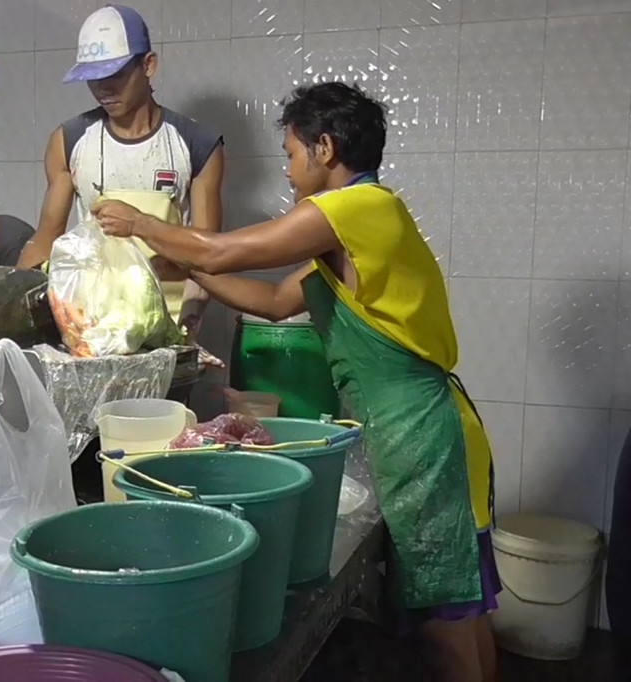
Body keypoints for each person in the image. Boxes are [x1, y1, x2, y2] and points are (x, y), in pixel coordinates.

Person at [93, 82, 499, 682]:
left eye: (290, 153)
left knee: (446, 622)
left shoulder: (356, 208)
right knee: (461, 607)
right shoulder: (352, 230)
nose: (287, 170)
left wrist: (141, 224)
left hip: (426, 439)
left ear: (324, 148)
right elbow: (275, 302)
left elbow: (224, 252)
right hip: (420, 434)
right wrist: (185, 267)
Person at [15, 4, 226, 365]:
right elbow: (47, 237)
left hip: (167, 324)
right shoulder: (70, 141)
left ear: (148, 65)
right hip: (93, 329)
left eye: (115, 75)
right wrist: (12, 304)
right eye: (93, 78)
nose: (103, 89)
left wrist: (187, 328)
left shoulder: (196, 144)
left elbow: (206, 253)